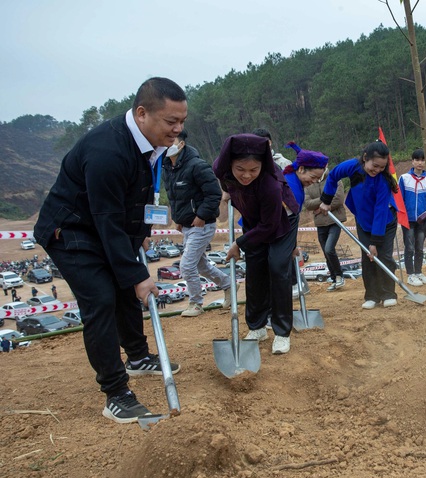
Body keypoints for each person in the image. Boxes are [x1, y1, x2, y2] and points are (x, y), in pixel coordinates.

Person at [33, 77, 184, 424]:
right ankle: (116, 393)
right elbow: (107, 220)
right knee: (102, 298)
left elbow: (144, 192)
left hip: (105, 224)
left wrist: (142, 233)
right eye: (170, 122)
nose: (177, 129)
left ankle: (137, 356)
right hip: (70, 229)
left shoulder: (148, 141)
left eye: (182, 122)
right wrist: (137, 275)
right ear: (143, 113)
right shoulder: (108, 151)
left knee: (124, 292)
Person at [213, 133, 300, 355]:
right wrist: (228, 192)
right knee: (255, 270)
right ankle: (257, 327)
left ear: (263, 165)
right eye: (240, 169)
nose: (246, 175)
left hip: (281, 220)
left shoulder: (270, 185)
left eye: (254, 170)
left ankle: (281, 333)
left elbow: (270, 226)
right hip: (254, 220)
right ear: (230, 163)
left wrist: (239, 243)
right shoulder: (223, 172)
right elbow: (229, 185)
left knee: (278, 267)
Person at [161, 129, 234, 317]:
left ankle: (195, 303)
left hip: (202, 225)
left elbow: (214, 194)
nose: (167, 144)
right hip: (187, 225)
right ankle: (228, 285)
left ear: (182, 144)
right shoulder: (167, 168)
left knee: (186, 266)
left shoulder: (197, 166)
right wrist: (178, 219)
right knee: (201, 265)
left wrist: (201, 216)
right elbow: (175, 198)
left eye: (172, 140)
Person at [319, 141, 399, 309]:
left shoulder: (383, 183)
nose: (376, 170)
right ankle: (372, 296)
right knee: (367, 258)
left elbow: (379, 212)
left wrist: (375, 242)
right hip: (363, 221)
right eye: (374, 165)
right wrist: (326, 200)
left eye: (381, 167)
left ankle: (388, 294)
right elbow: (333, 176)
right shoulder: (352, 167)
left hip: (385, 222)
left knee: (382, 256)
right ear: (365, 158)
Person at [281, 142, 329, 296]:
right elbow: (283, 221)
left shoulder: (296, 181)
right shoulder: (290, 186)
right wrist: (290, 246)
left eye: (318, 178)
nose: (314, 181)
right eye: (313, 177)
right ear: (301, 169)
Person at [303, 171, 347, 293]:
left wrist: (323, 206)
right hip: (320, 223)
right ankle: (334, 279)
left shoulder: (334, 179)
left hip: (335, 220)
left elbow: (338, 198)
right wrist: (324, 200)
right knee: (325, 252)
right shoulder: (309, 182)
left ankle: (339, 276)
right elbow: (307, 203)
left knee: (329, 249)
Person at [398, 148, 426, 287]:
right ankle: (410, 274)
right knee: (409, 247)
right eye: (417, 159)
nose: (420, 162)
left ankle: (418, 272)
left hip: (422, 220)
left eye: (422, 160)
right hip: (409, 220)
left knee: (419, 247)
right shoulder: (404, 178)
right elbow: (399, 198)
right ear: (412, 161)